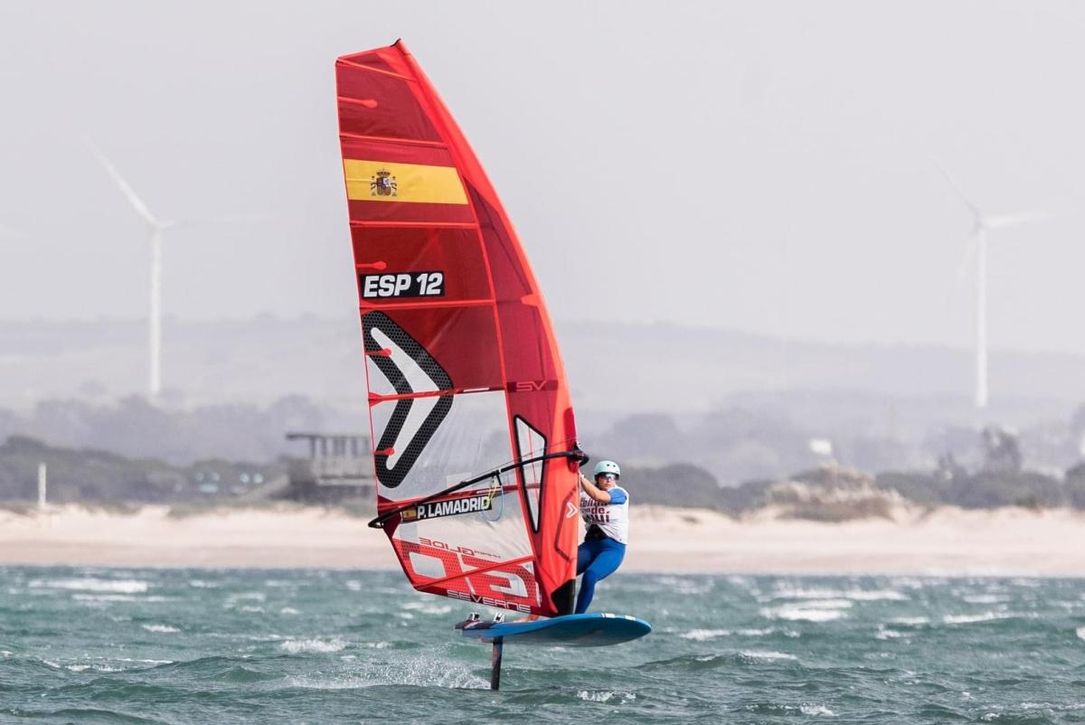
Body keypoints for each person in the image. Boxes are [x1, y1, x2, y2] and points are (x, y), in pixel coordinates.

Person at [575, 459, 629, 614]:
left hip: (612, 549)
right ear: (597, 477)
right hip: (590, 545)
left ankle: (577, 618)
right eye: (605, 476)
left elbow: (599, 496)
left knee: (590, 575)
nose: (609, 479)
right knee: (560, 574)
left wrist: (580, 478)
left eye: (613, 476)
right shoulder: (583, 496)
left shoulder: (620, 493)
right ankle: (540, 616)